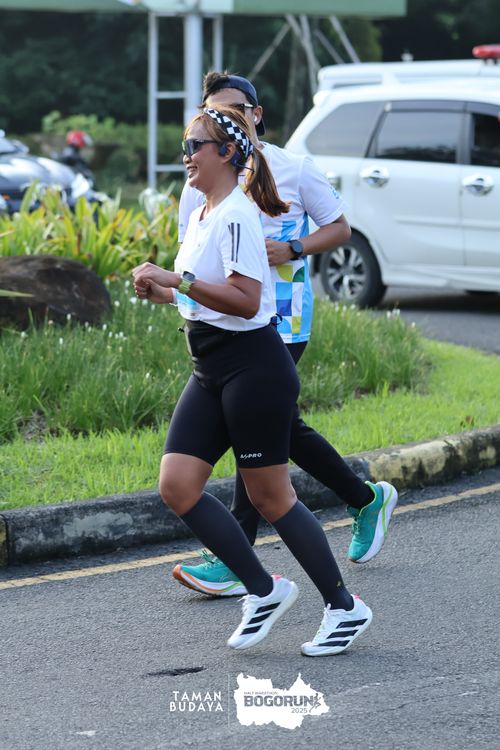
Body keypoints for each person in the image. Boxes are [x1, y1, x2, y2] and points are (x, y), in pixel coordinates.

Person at [132, 105, 373, 656]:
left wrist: (178, 280)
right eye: (184, 145)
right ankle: (264, 590)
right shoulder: (203, 211)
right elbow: (206, 292)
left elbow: (245, 301)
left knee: (271, 496)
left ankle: (344, 607)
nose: (186, 156)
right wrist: (165, 291)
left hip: (254, 367)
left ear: (226, 153)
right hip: (209, 367)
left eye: (194, 145)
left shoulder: (238, 214)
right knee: (177, 485)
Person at [173, 72, 398, 598]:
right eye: (214, 112)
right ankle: (364, 498)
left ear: (256, 114)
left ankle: (238, 559)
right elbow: (190, 254)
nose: (225, 118)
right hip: (222, 326)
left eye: (234, 109)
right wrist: (179, 293)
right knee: (274, 428)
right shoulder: (200, 179)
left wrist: (293, 249)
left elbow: (339, 228)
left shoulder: (293, 168)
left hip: (281, 319)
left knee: (253, 425)